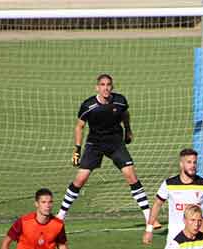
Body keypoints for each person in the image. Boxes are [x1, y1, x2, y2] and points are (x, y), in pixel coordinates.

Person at [56, 74, 152, 225]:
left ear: (112, 87)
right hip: (95, 144)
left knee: (130, 175)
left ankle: (149, 217)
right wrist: (77, 149)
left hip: (115, 143)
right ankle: (61, 215)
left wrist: (128, 130)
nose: (105, 88)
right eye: (102, 85)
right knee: (80, 179)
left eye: (108, 85)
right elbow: (79, 126)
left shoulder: (120, 101)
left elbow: (125, 114)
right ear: (97, 88)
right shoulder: (88, 106)